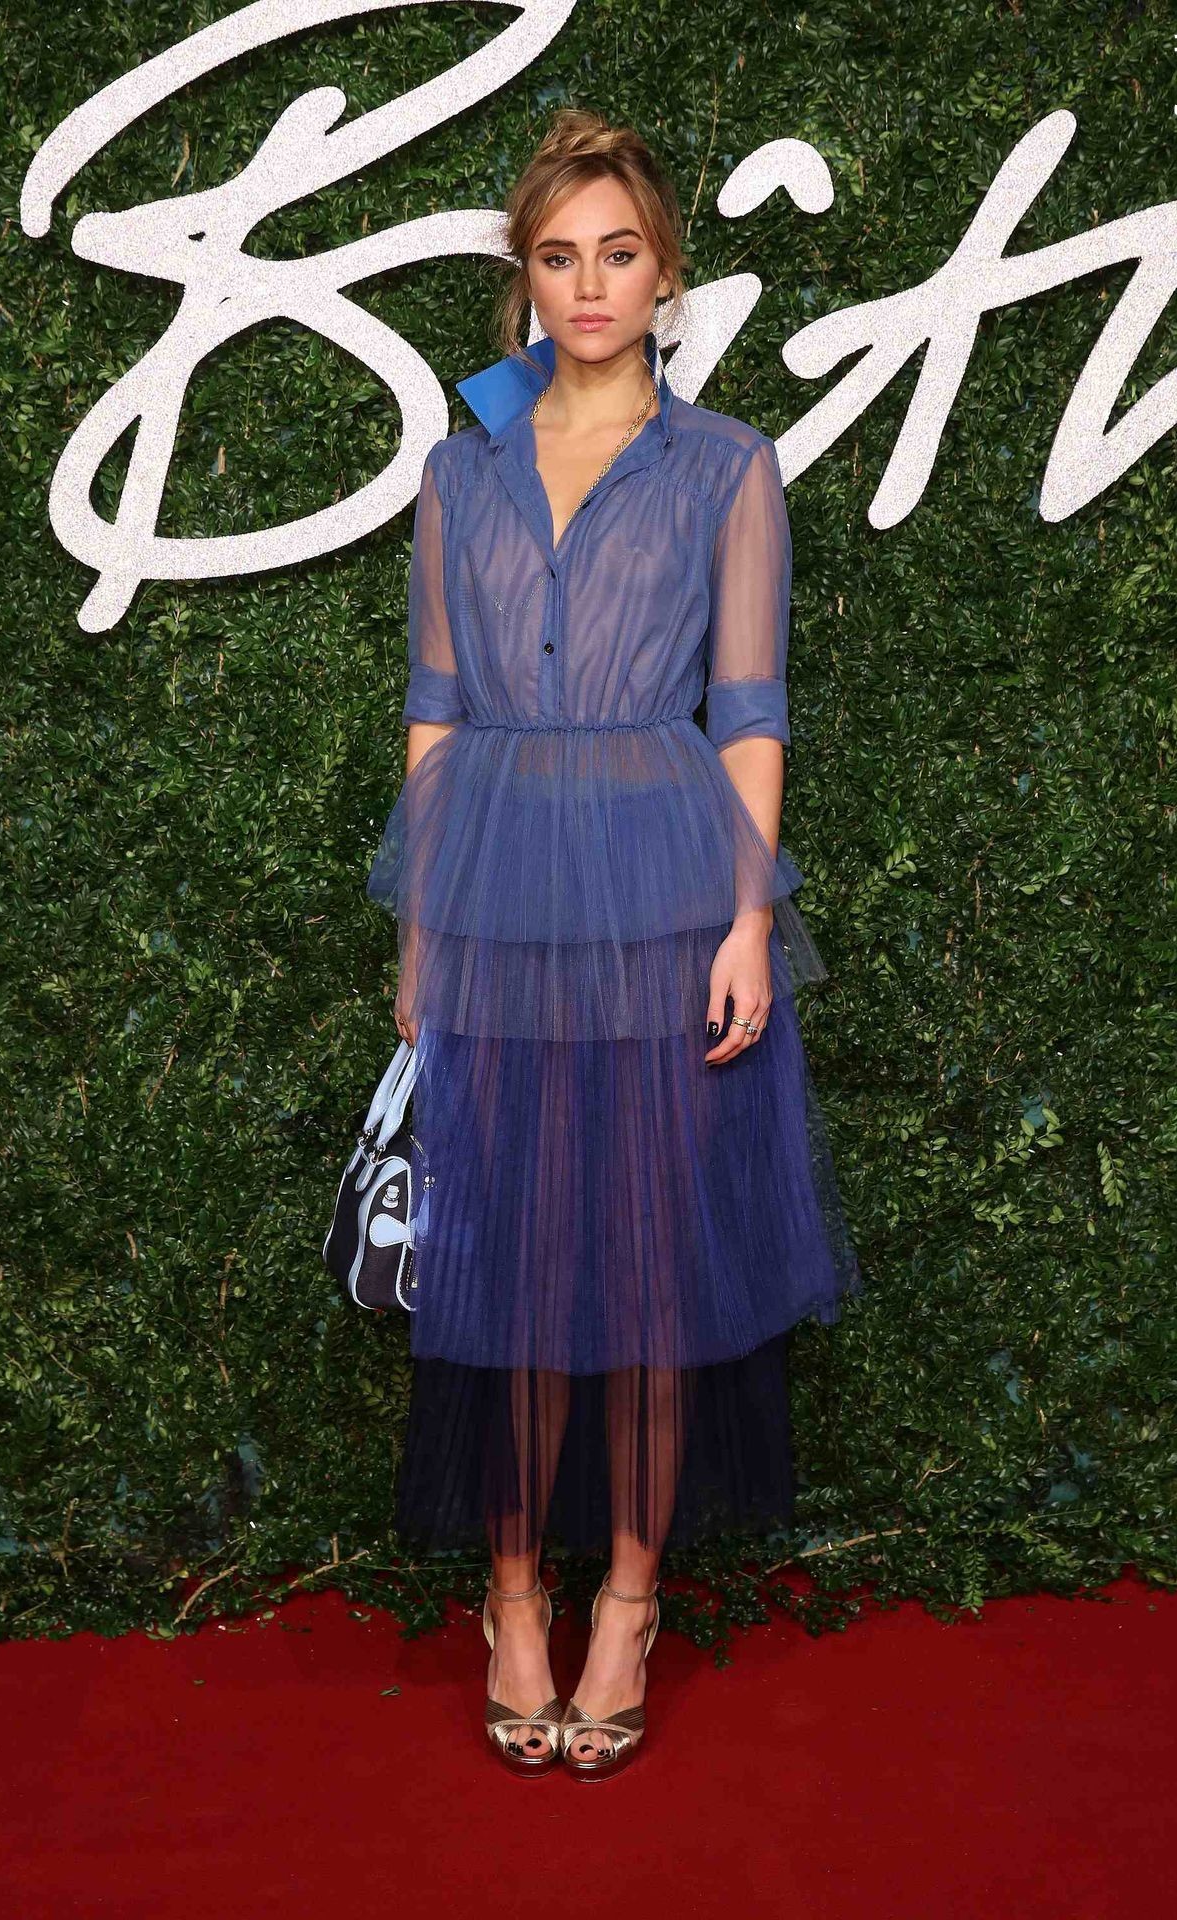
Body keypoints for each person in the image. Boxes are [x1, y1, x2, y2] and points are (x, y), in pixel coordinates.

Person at [366, 107, 861, 1780]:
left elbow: (750, 712)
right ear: (526, 275)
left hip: (665, 897)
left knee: (647, 1268)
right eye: (559, 256)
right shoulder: (460, 473)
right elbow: (436, 713)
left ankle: (630, 1604)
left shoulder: (726, 466)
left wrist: (748, 919)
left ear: (666, 275)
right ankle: (512, 1599)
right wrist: (423, 941)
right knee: (511, 1253)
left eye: (619, 253)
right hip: (501, 897)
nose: (589, 284)